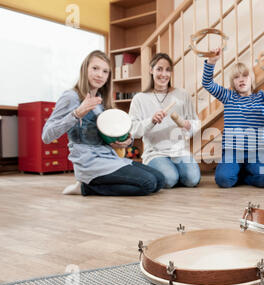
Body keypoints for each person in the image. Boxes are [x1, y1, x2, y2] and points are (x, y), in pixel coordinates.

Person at [42, 50, 164, 196]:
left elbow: (111, 136)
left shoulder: (102, 100)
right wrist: (76, 114)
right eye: (95, 68)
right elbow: (46, 135)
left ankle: (91, 185)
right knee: (148, 183)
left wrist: (127, 141)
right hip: (89, 163)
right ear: (85, 69)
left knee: (160, 180)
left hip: (109, 158)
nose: (100, 75)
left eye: (105, 71)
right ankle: (84, 187)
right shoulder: (71, 97)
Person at [202, 48, 264, 188]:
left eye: (245, 75)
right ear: (233, 82)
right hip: (232, 152)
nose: (241, 79)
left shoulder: (262, 98)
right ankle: (237, 171)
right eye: (236, 77)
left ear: (251, 79)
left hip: (255, 152)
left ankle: (243, 176)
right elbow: (207, 83)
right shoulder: (228, 97)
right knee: (223, 180)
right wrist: (211, 63)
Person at [129, 53, 201, 189]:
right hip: (155, 152)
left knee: (192, 179)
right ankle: (165, 170)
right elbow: (133, 130)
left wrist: (189, 126)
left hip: (179, 151)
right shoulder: (140, 98)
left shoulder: (182, 94)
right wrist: (151, 121)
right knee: (169, 179)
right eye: (159, 69)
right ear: (151, 70)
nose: (164, 74)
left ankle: (174, 171)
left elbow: (195, 122)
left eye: (168, 70)